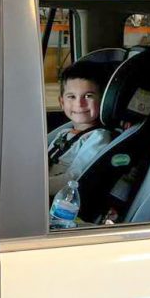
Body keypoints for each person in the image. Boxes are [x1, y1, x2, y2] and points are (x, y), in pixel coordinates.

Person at [48, 60, 112, 196]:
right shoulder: (64, 133)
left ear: (103, 101)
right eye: (71, 96)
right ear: (62, 102)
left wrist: (35, 185)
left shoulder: (98, 138)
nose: (79, 104)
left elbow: (74, 178)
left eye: (88, 96)